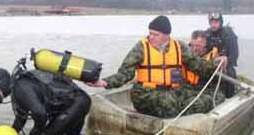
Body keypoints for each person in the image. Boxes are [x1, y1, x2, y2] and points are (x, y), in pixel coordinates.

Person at [87, 15, 227, 118]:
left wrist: (217, 64)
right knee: (170, 104)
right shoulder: (141, 47)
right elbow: (125, 73)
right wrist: (104, 82)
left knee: (214, 98)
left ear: (166, 35)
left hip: (174, 90)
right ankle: (176, 118)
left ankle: (182, 113)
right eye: (150, 33)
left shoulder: (179, 47)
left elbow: (200, 66)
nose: (151, 37)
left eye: (155, 34)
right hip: (145, 93)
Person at [0, 58, 91, 135]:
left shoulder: (20, 88)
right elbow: (21, 118)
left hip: (76, 105)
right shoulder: (19, 85)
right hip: (80, 102)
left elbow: (41, 114)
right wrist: (10, 134)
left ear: (1, 84)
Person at [184, 30, 225, 104]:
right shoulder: (186, 54)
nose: (194, 49)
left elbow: (219, 78)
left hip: (206, 90)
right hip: (188, 88)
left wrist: (219, 65)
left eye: (197, 46)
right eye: (192, 45)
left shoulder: (214, 57)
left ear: (204, 44)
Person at [206, 12, 239, 98]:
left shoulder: (229, 34)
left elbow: (235, 53)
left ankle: (230, 97)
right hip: (210, 64)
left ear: (221, 22)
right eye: (212, 22)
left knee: (230, 73)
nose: (213, 25)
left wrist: (226, 60)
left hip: (226, 65)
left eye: (216, 22)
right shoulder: (207, 34)